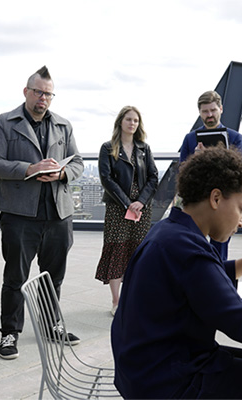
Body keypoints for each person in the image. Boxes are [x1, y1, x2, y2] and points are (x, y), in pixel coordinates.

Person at [111, 147, 242, 399]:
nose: (241, 221)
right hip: (167, 380)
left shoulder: (168, 231)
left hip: (144, 366)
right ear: (216, 198)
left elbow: (200, 280)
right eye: (241, 209)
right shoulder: (188, 250)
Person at [0, 66, 84, 360]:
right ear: (26, 91)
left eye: (48, 94)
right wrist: (30, 169)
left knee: (53, 277)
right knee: (15, 277)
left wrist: (62, 173)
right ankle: (9, 333)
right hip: (19, 215)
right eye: (38, 92)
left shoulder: (63, 125)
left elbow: (77, 162)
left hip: (58, 214)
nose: (43, 98)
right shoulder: (5, 122)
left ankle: (51, 326)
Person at [95, 106, 158, 316]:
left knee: (138, 253)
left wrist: (140, 202)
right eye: (129, 119)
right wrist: (126, 203)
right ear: (121, 122)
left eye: (136, 120)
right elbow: (106, 179)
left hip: (141, 210)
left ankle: (135, 299)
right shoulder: (108, 148)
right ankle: (116, 302)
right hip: (117, 208)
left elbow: (153, 177)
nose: (132, 123)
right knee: (117, 251)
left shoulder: (144, 148)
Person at [179, 90, 242, 260]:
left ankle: (217, 276)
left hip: (224, 200)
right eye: (205, 111)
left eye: (213, 110)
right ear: (200, 112)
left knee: (220, 249)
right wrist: (196, 158)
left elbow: (240, 171)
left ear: (220, 109)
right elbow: (182, 170)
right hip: (198, 200)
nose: (209, 115)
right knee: (193, 246)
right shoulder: (190, 138)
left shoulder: (235, 138)